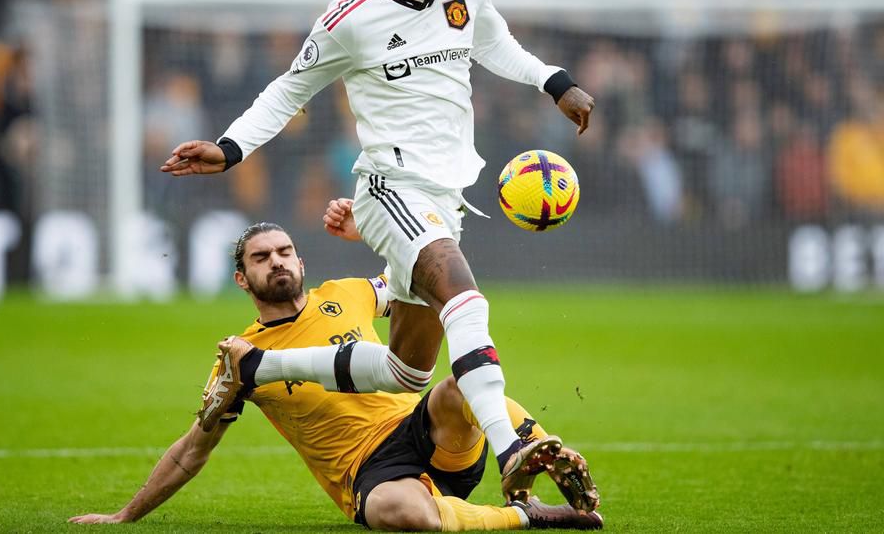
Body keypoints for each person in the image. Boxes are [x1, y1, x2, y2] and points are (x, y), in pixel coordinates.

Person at [160, 0, 596, 492]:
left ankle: (259, 366)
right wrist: (230, 148)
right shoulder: (349, 19)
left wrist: (556, 82)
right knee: (465, 299)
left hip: (445, 196)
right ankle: (511, 447)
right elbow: (290, 90)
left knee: (408, 373)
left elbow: (495, 45)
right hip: (389, 187)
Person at [69, 223, 601, 530]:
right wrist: (125, 516)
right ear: (241, 278)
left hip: (427, 434)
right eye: (261, 258)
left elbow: (419, 278)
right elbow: (192, 450)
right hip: (366, 475)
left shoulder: (345, 293)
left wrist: (368, 227)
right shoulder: (239, 360)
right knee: (405, 515)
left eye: (284, 252)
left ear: (300, 262)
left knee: (458, 385)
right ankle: (529, 516)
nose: (276, 262)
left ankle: (528, 449)